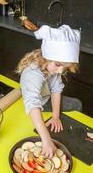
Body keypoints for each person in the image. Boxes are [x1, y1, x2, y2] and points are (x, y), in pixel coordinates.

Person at [16, 25, 82, 158]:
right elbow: (33, 104)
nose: (60, 71)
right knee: (74, 106)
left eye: (65, 68)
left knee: (76, 104)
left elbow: (56, 90)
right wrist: (46, 140)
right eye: (58, 65)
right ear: (46, 57)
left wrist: (56, 116)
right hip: (38, 104)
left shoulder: (52, 67)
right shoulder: (32, 73)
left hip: (46, 99)